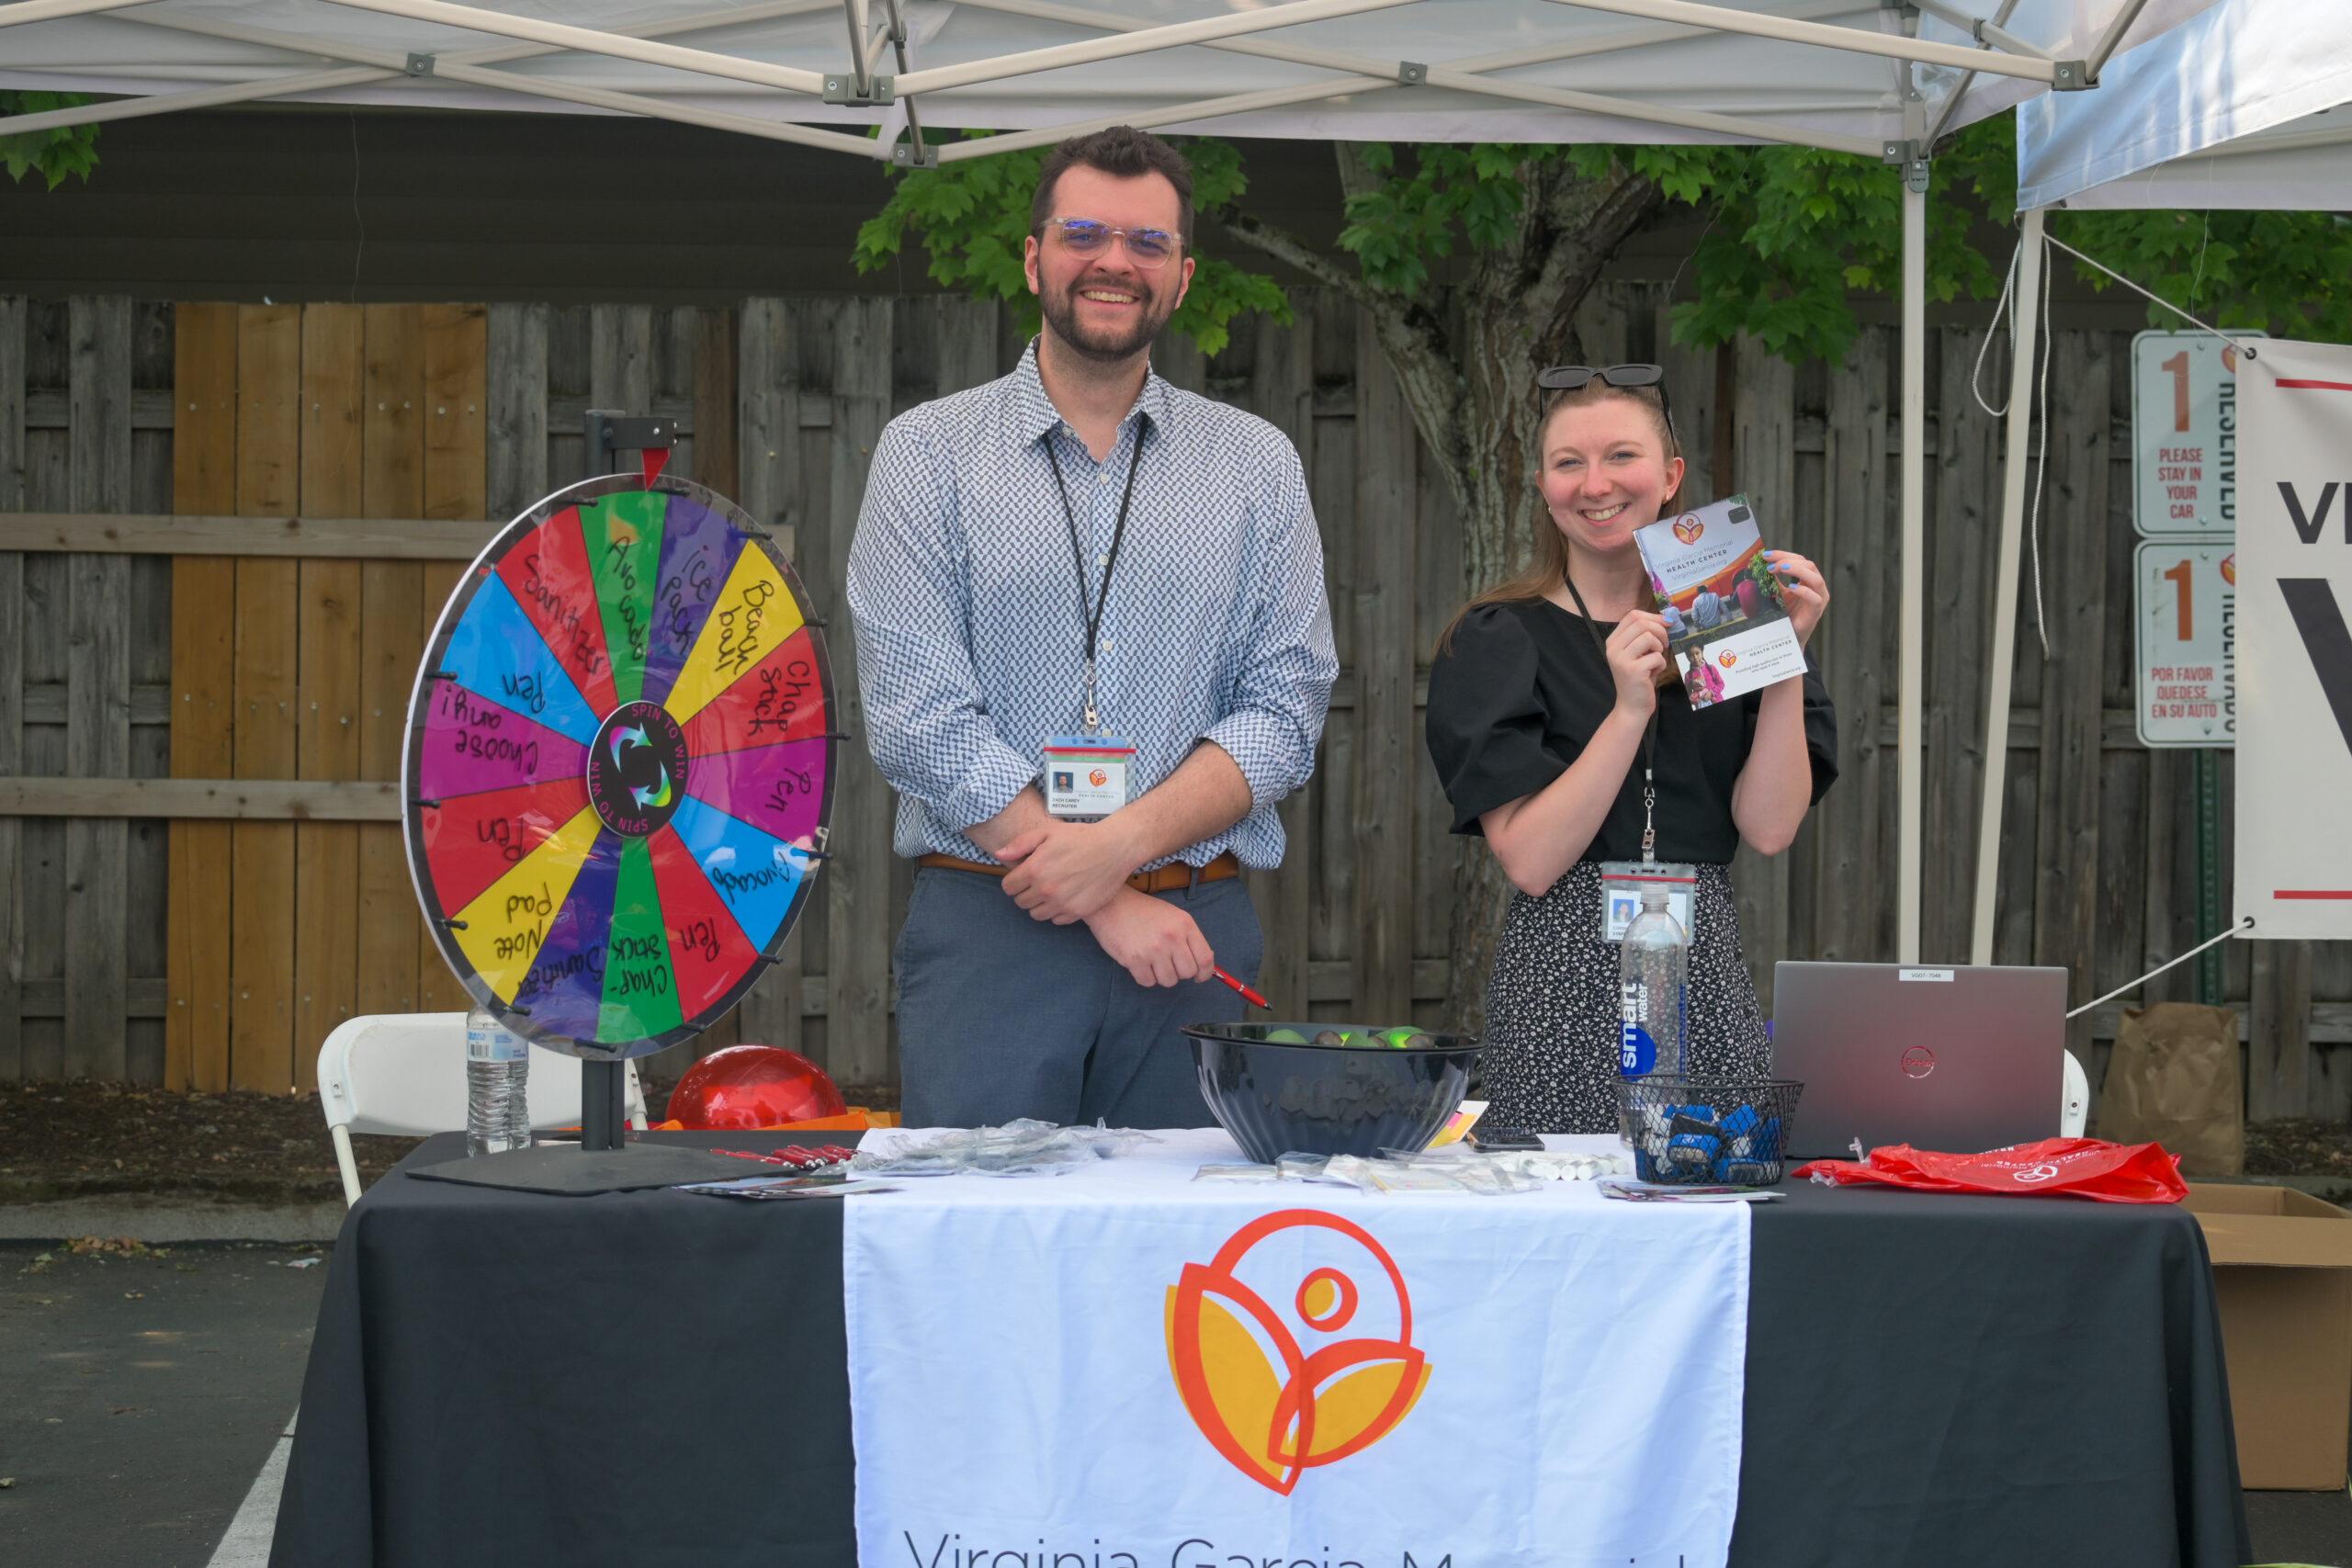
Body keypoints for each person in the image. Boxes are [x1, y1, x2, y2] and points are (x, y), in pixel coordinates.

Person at [846, 126, 1338, 1131]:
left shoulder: (1256, 464)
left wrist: (1116, 849)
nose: (1114, 261)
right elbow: (915, 715)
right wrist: (1102, 895)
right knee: (981, 1261)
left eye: (1146, 244)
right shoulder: (927, 452)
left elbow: (1285, 710)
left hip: (1190, 932)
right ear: (1034, 258)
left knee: (1189, 1275)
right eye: (1083, 234)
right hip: (990, 932)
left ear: (1184, 277)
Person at [1423, 366, 1837, 1133]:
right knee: (1557, 1219)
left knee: (1708, 1213)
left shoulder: (1730, 618)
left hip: (1701, 959)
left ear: (1671, 476)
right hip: (1561, 976)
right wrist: (1628, 709)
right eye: (1568, 463)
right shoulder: (1498, 638)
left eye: (1621, 456)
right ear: (1543, 485)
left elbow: (1771, 827)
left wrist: (1780, 654)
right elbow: (1530, 859)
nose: (1595, 484)